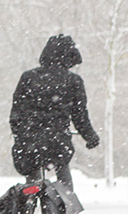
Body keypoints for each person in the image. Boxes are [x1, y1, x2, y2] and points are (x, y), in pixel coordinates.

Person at [9, 34, 100, 191]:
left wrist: (20, 134)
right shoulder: (73, 81)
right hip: (57, 141)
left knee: (32, 180)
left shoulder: (28, 77)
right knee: (63, 175)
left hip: (29, 141)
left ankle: (30, 199)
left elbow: (16, 113)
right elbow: (80, 116)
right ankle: (66, 202)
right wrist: (90, 137)